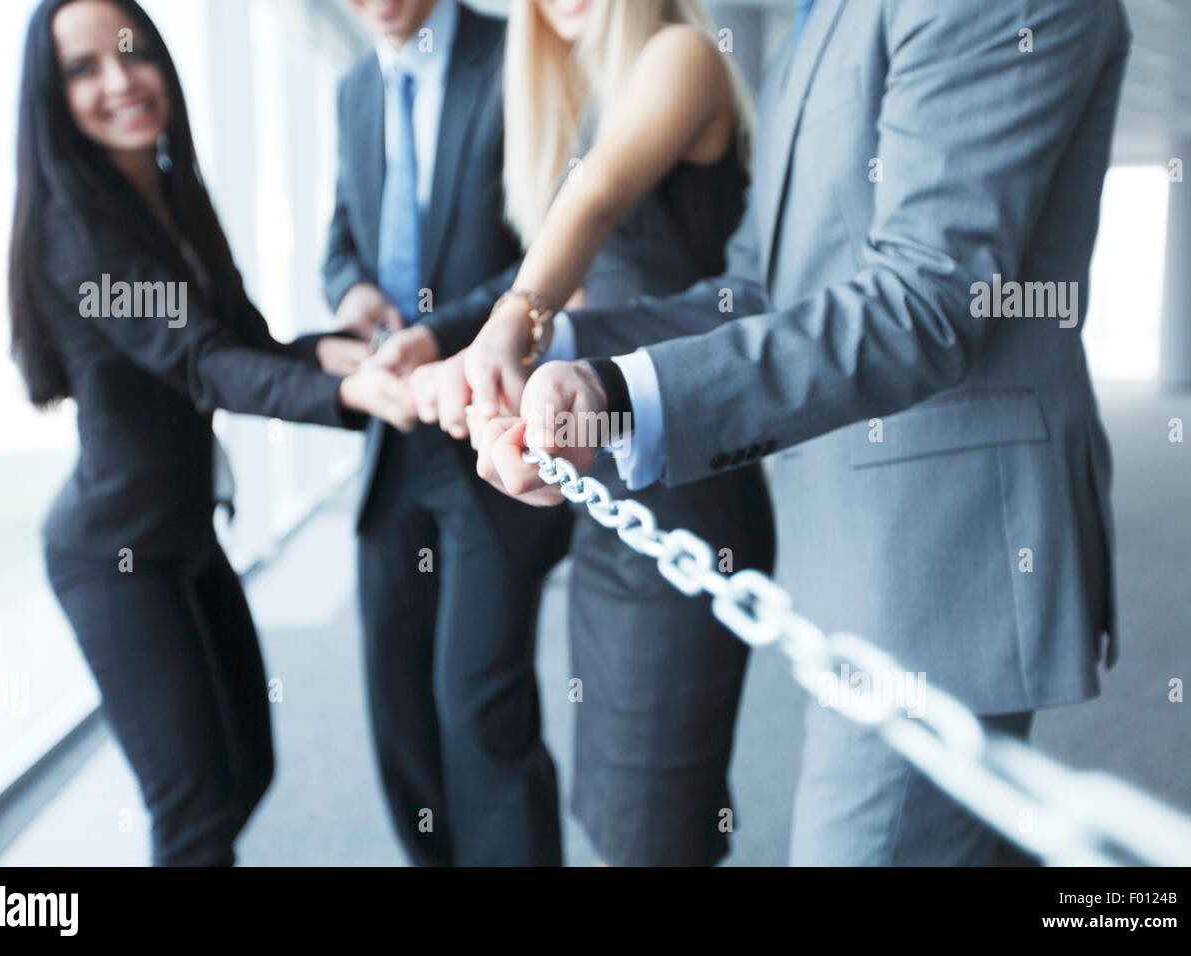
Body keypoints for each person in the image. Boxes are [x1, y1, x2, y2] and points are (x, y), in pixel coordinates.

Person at [478, 0, 1130, 865]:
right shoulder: (818, 20)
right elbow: (751, 287)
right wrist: (556, 348)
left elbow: (925, 303)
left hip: (943, 559)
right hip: (855, 551)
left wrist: (617, 396)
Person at [9, 0, 387, 865]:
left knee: (247, 770)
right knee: (195, 821)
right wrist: (357, 398)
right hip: (113, 556)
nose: (120, 81)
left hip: (186, 538)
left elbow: (240, 345)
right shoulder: (76, 230)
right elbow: (200, 364)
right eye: (83, 68)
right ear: (52, 95)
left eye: (132, 53)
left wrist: (336, 353)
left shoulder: (169, 194)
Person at [405, 0, 774, 866]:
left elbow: (599, 203)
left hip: (685, 483)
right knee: (618, 806)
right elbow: (569, 301)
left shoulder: (679, 54)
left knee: (656, 821)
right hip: (610, 483)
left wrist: (505, 326)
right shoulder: (582, 93)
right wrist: (470, 362)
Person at [321, 0, 572, 866]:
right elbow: (342, 237)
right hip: (394, 441)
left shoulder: (521, 55)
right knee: (398, 704)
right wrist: (351, 292)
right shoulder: (356, 88)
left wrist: (444, 332)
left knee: (478, 706)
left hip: (488, 423)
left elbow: (555, 250)